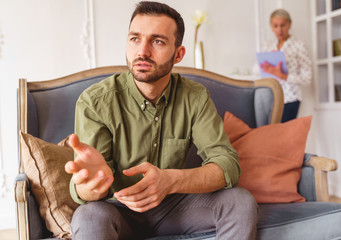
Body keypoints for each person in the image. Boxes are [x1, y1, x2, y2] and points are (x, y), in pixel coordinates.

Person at [64, 1, 257, 239]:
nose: (142, 51)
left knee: (240, 201)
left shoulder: (195, 97)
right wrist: (90, 184)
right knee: (88, 215)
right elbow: (84, 191)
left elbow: (228, 164)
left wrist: (171, 180)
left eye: (157, 41)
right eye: (135, 38)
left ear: (178, 54)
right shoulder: (95, 102)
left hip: (176, 209)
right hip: (117, 209)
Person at [259, 9, 312, 122]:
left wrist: (283, 75)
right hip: (270, 98)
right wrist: (268, 66)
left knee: (284, 135)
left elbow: (307, 78)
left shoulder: (299, 45)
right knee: (269, 135)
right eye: (275, 26)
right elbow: (256, 69)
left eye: (283, 25)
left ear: (289, 24)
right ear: (271, 26)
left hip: (290, 99)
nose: (279, 30)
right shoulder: (268, 46)